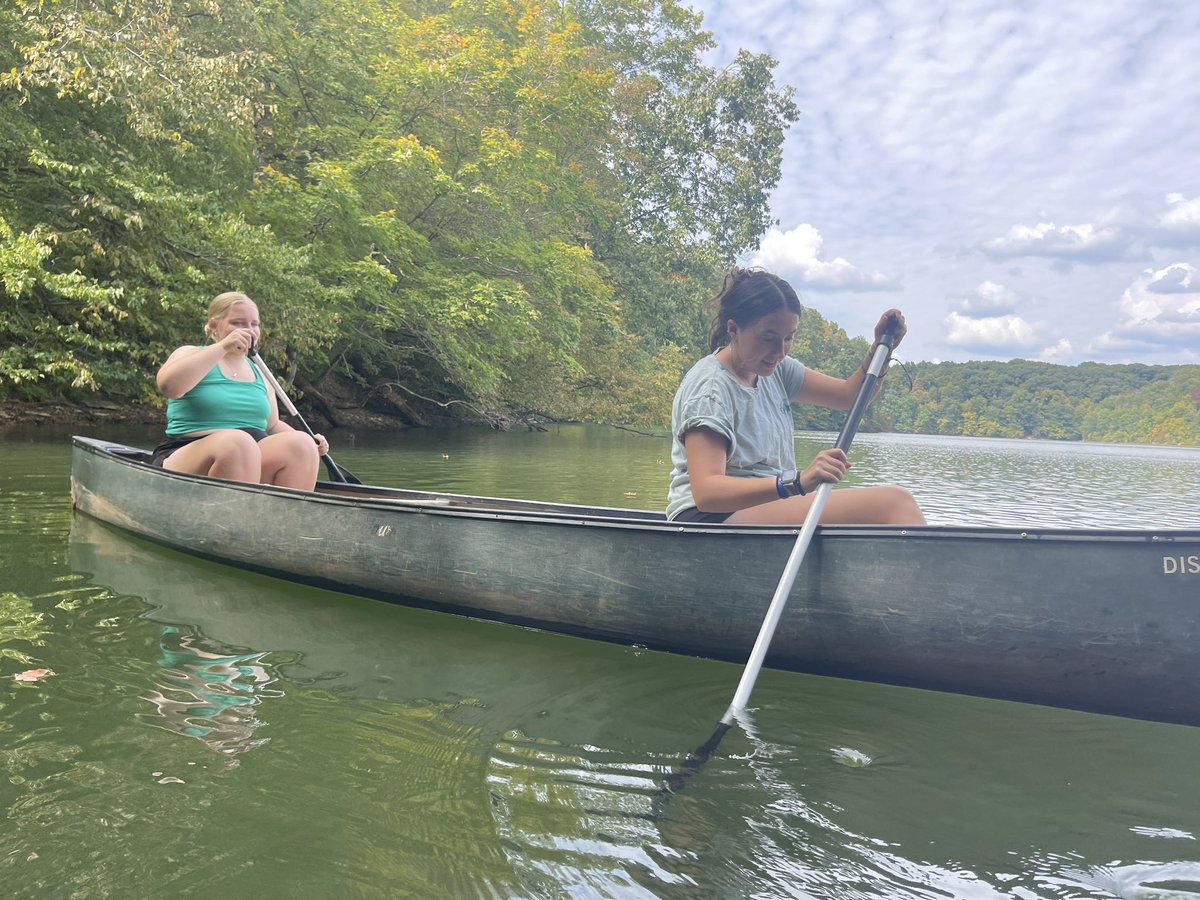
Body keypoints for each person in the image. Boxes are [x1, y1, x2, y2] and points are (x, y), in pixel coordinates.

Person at [667, 268, 926, 526]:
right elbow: (708, 493)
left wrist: (880, 349)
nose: (779, 351)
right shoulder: (710, 388)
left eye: (788, 338)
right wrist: (797, 481)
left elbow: (850, 396)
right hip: (708, 518)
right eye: (768, 337)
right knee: (893, 503)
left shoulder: (776, 370)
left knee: (889, 506)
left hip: (765, 507)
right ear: (733, 329)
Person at [151, 291, 329, 491]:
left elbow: (272, 425)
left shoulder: (261, 372)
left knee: (301, 444)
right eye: (238, 323)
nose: (248, 330)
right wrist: (223, 346)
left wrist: (310, 438)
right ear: (214, 326)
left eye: (254, 324)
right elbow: (169, 387)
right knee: (238, 442)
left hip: (249, 454)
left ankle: (284, 518)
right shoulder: (192, 353)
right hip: (188, 453)